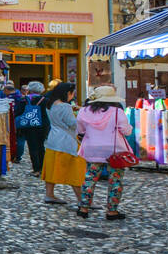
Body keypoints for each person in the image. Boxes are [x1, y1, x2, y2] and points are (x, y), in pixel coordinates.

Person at [75, 85, 134, 221]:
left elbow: (80, 130)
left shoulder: (84, 111)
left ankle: (83, 208)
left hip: (92, 148)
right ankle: (112, 211)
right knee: (115, 180)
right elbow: (126, 131)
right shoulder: (117, 112)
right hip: (114, 150)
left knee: (90, 177)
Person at [41, 82, 85, 205]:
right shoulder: (64, 106)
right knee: (74, 169)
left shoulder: (50, 104)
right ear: (67, 93)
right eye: (72, 93)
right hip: (66, 140)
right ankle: (81, 199)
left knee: (51, 169)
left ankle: (49, 194)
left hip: (53, 139)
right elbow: (72, 123)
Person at [20, 81, 50, 174]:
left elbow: (19, 112)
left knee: (32, 146)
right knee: (41, 145)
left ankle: (36, 168)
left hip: (29, 125)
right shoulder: (46, 100)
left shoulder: (25, 100)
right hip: (43, 125)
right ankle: (43, 167)